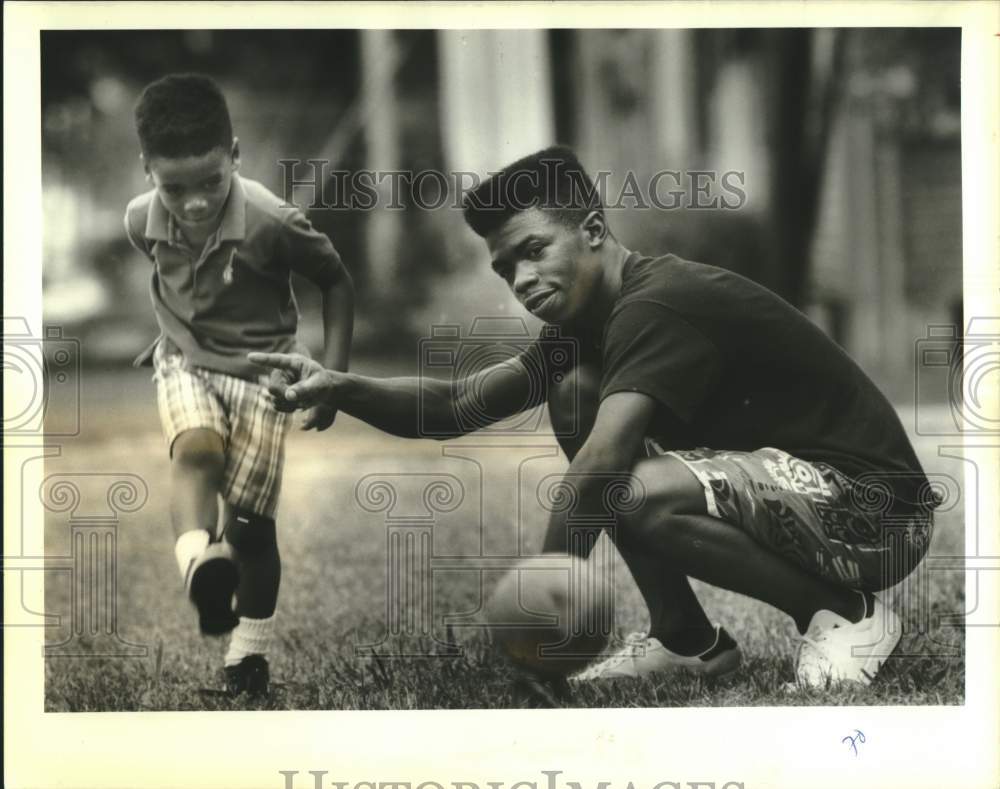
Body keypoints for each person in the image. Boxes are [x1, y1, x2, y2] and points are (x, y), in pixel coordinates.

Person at [248, 146, 936, 697]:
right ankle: (685, 641)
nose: (519, 279)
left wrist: (544, 610)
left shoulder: (656, 303)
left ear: (595, 232)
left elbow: (601, 467)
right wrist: (342, 386)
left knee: (632, 491)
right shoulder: (585, 325)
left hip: (877, 511)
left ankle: (848, 615)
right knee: (575, 395)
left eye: (533, 249)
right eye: (504, 268)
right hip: (804, 491)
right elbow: (460, 405)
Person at [124, 73, 354, 697]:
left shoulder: (273, 221)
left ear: (235, 155)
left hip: (264, 372)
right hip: (185, 362)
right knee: (195, 450)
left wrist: (330, 377)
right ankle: (201, 560)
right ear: (148, 171)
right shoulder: (142, 218)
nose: (194, 203)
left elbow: (335, 281)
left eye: (210, 182)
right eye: (175, 188)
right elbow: (167, 275)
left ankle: (246, 658)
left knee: (251, 527)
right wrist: (176, 331)